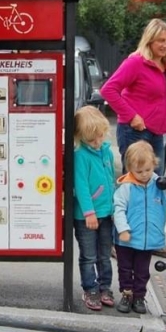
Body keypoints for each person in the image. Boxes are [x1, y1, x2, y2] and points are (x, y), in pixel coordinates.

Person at [100, 18, 166, 259]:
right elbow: (108, 90)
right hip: (135, 131)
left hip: (156, 132)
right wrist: (131, 115)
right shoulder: (136, 62)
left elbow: (163, 99)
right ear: (150, 40)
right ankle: (120, 239)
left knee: (155, 187)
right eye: (160, 41)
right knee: (132, 187)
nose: (164, 45)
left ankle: (152, 239)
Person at [113, 141, 166, 314]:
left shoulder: (159, 184)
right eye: (139, 171)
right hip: (126, 240)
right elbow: (118, 209)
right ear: (129, 168)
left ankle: (139, 296)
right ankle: (127, 294)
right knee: (125, 268)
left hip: (147, 240)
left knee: (143, 271)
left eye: (148, 170)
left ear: (154, 165)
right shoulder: (126, 187)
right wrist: (123, 229)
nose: (144, 175)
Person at [73, 105, 117, 311]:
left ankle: (105, 287)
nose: (97, 142)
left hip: (106, 213)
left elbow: (111, 181)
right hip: (87, 216)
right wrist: (89, 212)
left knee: (104, 254)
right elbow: (81, 185)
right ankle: (90, 288)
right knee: (89, 255)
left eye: (99, 137)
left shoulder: (106, 152)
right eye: (91, 140)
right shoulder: (80, 155)